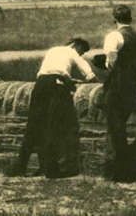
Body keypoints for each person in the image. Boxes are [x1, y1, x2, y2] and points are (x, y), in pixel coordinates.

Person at [11, 37, 96, 178]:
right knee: (54, 125)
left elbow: (52, 71)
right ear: (76, 46)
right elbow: (88, 73)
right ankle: (52, 170)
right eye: (82, 51)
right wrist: (97, 84)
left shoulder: (52, 51)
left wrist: (68, 79)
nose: (81, 54)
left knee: (33, 126)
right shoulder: (72, 52)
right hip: (56, 87)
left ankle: (19, 168)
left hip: (40, 84)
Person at [102, 4, 136, 181]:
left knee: (114, 128)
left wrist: (108, 64)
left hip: (117, 85)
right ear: (131, 19)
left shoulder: (114, 35)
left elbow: (111, 58)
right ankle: (125, 170)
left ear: (114, 19)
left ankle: (116, 172)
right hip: (132, 87)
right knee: (121, 125)